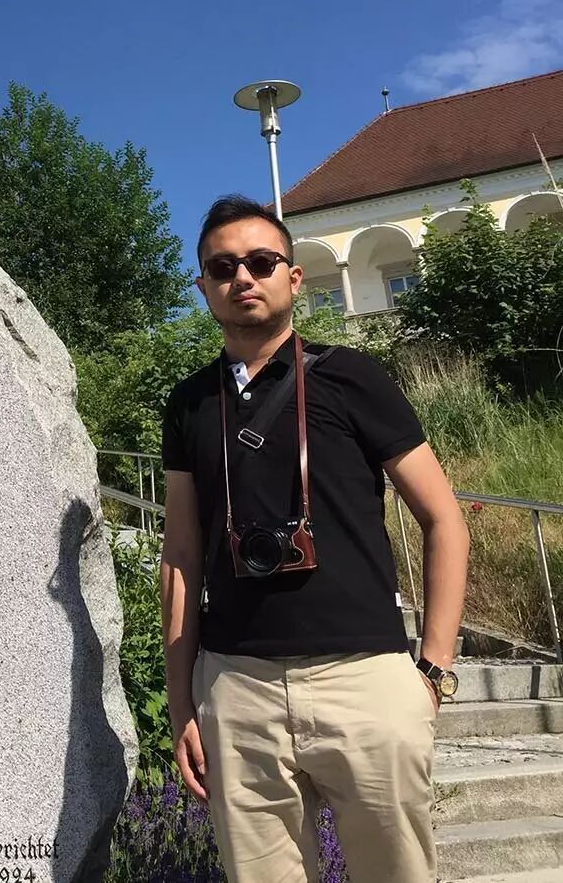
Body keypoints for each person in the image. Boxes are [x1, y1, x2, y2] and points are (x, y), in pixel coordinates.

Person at [161, 194, 469, 883]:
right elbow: (179, 558)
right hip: (237, 686)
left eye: (261, 261)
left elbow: (444, 518)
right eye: (223, 267)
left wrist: (432, 671)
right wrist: (183, 704)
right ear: (203, 286)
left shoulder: (353, 376)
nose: (243, 276)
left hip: (364, 679)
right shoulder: (189, 403)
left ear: (294, 277)